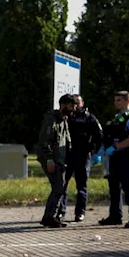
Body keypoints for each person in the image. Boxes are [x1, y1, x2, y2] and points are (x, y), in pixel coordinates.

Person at [98, 91, 129, 228]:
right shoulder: (116, 118)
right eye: (115, 100)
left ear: (127, 101)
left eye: (118, 100)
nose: (115, 103)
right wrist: (102, 151)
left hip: (126, 157)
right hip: (114, 158)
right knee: (114, 188)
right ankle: (115, 216)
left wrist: (116, 147)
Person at [37, 95, 76, 228]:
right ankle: (49, 217)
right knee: (58, 188)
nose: (74, 108)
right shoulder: (51, 119)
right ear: (63, 105)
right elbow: (44, 142)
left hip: (61, 160)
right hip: (51, 159)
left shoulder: (64, 120)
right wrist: (49, 159)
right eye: (72, 105)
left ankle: (52, 216)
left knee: (60, 188)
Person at [64, 95, 103, 222]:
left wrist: (98, 153)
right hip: (67, 155)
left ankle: (80, 212)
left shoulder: (89, 118)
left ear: (82, 103)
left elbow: (99, 136)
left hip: (83, 154)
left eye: (77, 103)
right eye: (72, 103)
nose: (75, 106)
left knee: (81, 185)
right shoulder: (66, 117)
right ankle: (60, 211)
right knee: (62, 184)